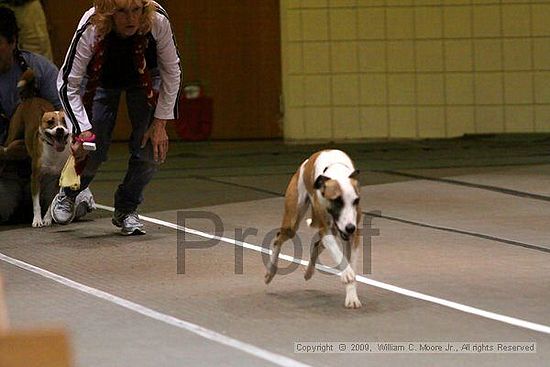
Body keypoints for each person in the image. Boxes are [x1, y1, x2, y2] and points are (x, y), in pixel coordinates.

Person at [53, 0, 181, 235]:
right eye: (122, 11)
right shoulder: (92, 25)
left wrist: (160, 124)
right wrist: (80, 129)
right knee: (93, 146)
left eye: (136, 10)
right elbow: (67, 83)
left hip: (144, 77)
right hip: (100, 80)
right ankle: (70, 192)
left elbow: (172, 71)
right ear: (108, 12)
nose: (131, 19)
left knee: (150, 149)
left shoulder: (157, 19)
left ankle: (127, 208)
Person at [0, 6, 94, 224]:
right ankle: (25, 200)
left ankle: (72, 193)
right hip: (6, 168)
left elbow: (70, 113)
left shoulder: (40, 69)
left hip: (50, 161)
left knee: (73, 209)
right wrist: (4, 153)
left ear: (13, 42)